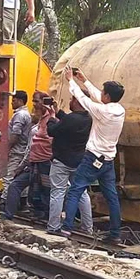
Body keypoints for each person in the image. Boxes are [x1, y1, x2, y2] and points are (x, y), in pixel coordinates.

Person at [61, 69, 126, 243]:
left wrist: (71, 81)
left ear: (107, 96)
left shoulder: (101, 111)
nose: (101, 94)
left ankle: (66, 228)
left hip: (93, 158)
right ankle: (115, 234)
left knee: (75, 190)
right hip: (108, 161)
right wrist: (85, 80)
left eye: (103, 92)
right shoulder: (119, 110)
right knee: (111, 197)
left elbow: (84, 100)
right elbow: (99, 97)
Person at [46, 95, 94, 236]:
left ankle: (53, 226)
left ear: (78, 101)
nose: (70, 101)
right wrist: (58, 111)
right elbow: (68, 122)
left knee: (58, 192)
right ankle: (87, 227)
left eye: (72, 99)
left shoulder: (71, 119)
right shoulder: (88, 119)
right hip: (79, 161)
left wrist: (52, 117)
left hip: (61, 160)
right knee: (82, 193)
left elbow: (52, 131)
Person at [4, 97, 55, 220]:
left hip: (44, 162)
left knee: (45, 190)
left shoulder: (51, 121)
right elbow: (30, 147)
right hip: (33, 162)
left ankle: (46, 216)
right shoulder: (39, 121)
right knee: (16, 185)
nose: (34, 105)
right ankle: (9, 214)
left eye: (37, 102)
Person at [1, 90, 32, 202]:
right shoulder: (26, 114)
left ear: (20, 101)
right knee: (19, 178)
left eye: (13, 101)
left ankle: (5, 201)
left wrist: (7, 148)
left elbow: (15, 134)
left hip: (17, 151)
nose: (11, 103)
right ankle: (21, 201)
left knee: (9, 176)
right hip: (23, 150)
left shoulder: (19, 115)